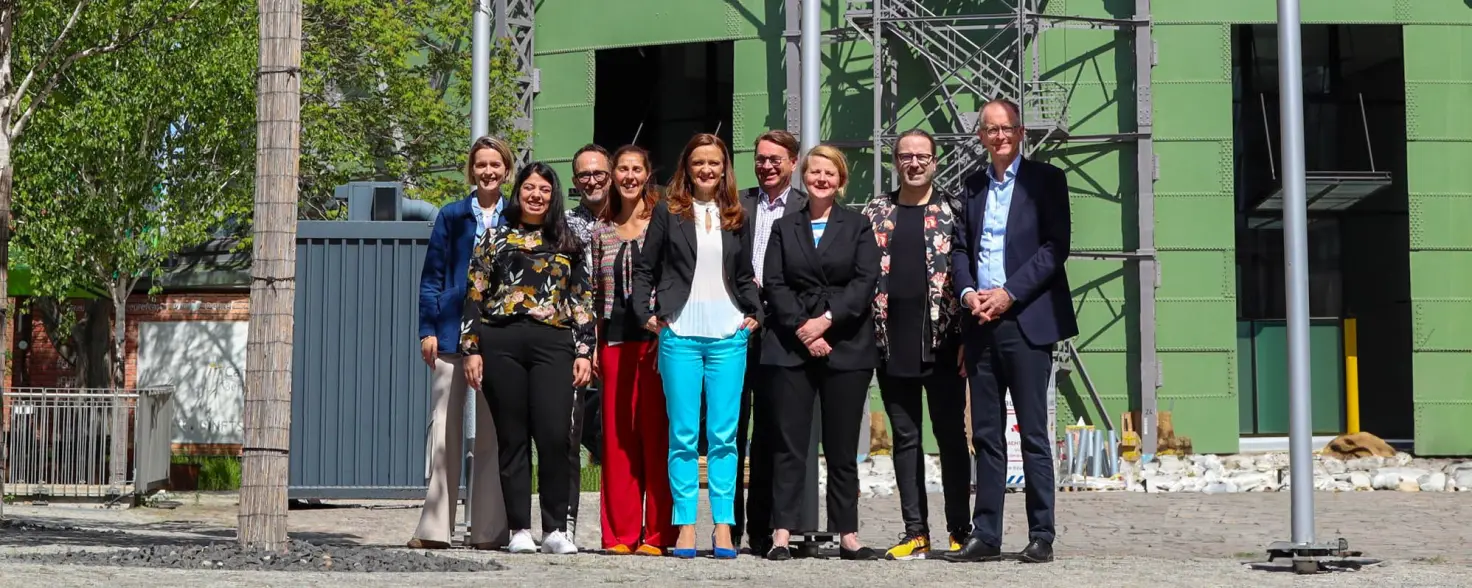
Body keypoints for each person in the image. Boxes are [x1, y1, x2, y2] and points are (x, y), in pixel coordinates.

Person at [944, 99, 1078, 564]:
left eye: (1006, 129)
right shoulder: (972, 185)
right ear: (980, 136)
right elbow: (961, 248)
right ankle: (987, 534)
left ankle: (1041, 533)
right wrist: (968, 295)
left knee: (1034, 435)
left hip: (1026, 320)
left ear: (1020, 133)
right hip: (980, 322)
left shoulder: (1047, 180)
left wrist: (1007, 294)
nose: (998, 136)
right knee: (985, 434)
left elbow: (1054, 247)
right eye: (990, 129)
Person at [631, 133, 762, 560]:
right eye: (698, 163)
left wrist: (754, 314)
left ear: (725, 168)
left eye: (715, 163)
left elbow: (744, 276)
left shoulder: (735, 214)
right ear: (686, 168)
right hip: (680, 334)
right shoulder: (669, 213)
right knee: (684, 436)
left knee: (724, 437)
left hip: (729, 335)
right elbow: (645, 268)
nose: (707, 169)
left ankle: (723, 526)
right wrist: (646, 315)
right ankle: (685, 525)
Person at [462, 162, 596, 555]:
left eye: (544, 190)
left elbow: (582, 299)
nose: (536, 195)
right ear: (518, 192)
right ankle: (519, 528)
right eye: (529, 188)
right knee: (512, 438)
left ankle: (556, 529)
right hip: (500, 339)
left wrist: (585, 350)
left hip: (554, 342)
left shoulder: (568, 242)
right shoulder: (492, 238)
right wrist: (471, 349)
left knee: (555, 435)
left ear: (553, 196)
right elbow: (474, 295)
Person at [760, 145, 881, 561]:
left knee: (842, 446)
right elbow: (774, 283)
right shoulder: (784, 227)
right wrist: (805, 330)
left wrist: (825, 322)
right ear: (803, 177)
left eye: (830, 173)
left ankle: (847, 532)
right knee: (789, 443)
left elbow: (865, 282)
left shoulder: (858, 226)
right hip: (791, 345)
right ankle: (781, 532)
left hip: (846, 343)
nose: (822, 179)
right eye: (814, 172)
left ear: (841, 181)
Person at [860, 129, 972, 560]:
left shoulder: (953, 210)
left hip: (943, 344)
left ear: (935, 161)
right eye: (905, 156)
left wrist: (965, 337)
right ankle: (916, 533)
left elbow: (968, 273)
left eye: (922, 156)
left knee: (950, 438)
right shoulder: (876, 210)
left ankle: (960, 530)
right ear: (895, 161)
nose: (914, 163)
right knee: (905, 439)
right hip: (891, 344)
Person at [409, 135, 512, 550]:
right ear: (472, 170)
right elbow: (432, 276)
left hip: (499, 337)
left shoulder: (518, 216)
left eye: (495, 164)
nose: (488, 171)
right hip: (450, 334)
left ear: (507, 169)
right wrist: (427, 329)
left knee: (491, 433)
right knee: (443, 433)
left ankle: (489, 530)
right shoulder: (452, 216)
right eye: (481, 164)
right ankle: (435, 528)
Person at [590, 145, 674, 556]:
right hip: (615, 343)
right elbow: (593, 293)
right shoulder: (599, 230)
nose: (628, 176)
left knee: (657, 437)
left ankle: (659, 534)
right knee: (619, 441)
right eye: (621, 169)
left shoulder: (664, 222)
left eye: (635, 169)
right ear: (612, 175)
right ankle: (620, 534)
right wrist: (591, 343)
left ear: (647, 174)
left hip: (657, 344)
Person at [735, 129, 807, 556]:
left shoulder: (805, 205)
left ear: (792, 163)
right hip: (739, 325)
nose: (766, 166)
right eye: (760, 159)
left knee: (772, 432)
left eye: (775, 159)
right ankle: (730, 527)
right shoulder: (738, 203)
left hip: (783, 329)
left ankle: (764, 531)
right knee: (732, 429)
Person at [562, 143, 613, 542]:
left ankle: (623, 529)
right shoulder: (562, 225)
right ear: (575, 182)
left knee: (623, 436)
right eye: (584, 175)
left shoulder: (636, 220)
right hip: (575, 341)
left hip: (623, 338)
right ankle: (565, 526)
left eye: (599, 173)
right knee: (569, 434)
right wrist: (586, 340)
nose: (592, 180)